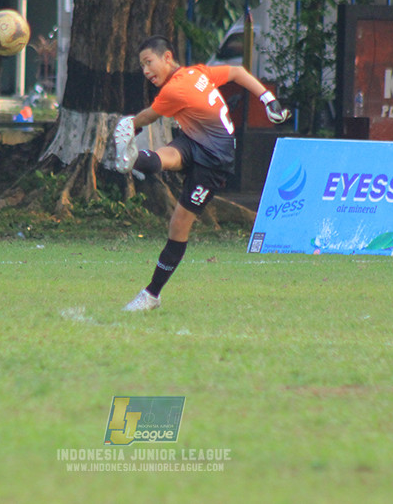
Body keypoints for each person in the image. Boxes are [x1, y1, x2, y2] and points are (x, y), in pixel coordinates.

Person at [113, 35, 290, 311]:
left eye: (149, 62)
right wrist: (268, 99)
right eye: (142, 66)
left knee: (178, 226)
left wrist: (130, 125)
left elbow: (148, 116)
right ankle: (132, 159)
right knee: (163, 158)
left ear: (167, 57)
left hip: (215, 160)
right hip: (194, 140)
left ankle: (152, 295)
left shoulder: (175, 90)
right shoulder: (197, 73)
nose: (146, 71)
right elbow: (237, 72)